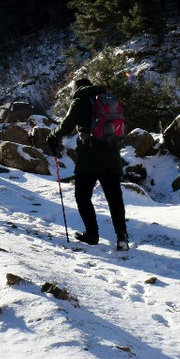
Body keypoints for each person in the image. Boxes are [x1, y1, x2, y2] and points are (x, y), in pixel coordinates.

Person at [51, 77, 129, 249]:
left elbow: (66, 126)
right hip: (112, 157)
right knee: (115, 199)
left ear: (76, 89)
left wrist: (52, 135)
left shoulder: (79, 101)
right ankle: (122, 236)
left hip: (89, 159)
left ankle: (92, 234)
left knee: (83, 196)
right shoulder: (108, 100)